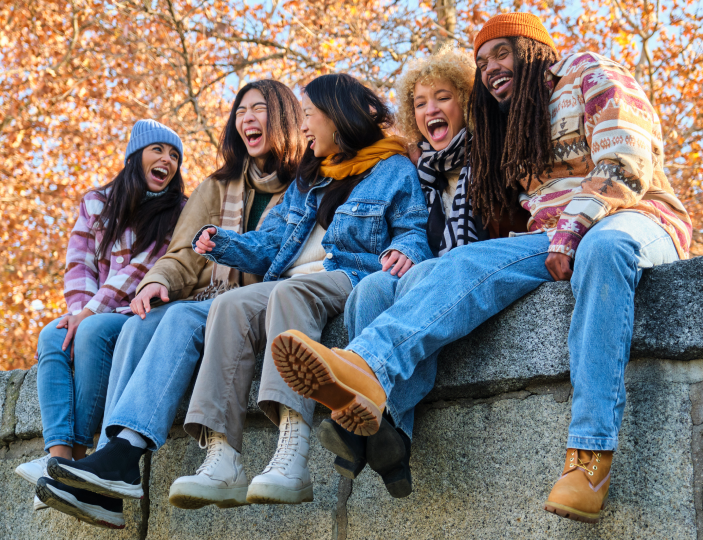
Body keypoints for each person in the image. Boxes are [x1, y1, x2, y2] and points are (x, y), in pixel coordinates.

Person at [271, 13, 692, 524]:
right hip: (552, 235)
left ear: (533, 50)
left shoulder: (587, 70)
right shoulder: (508, 123)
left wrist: (575, 227)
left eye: (502, 53)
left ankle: (589, 456)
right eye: (482, 61)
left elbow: (627, 159)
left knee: (603, 250)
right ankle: (367, 367)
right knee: (463, 262)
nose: (491, 68)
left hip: (633, 217)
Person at [164, 73, 433, 510]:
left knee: (289, 294)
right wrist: (223, 242)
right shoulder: (307, 179)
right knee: (229, 305)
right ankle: (222, 458)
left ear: (337, 116)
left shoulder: (393, 167)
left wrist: (404, 248)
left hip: (348, 275)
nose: (303, 127)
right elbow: (271, 241)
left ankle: (293, 451)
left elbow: (413, 228)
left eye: (309, 115)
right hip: (291, 281)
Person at [41, 80, 303, 526]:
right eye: (240, 111)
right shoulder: (217, 186)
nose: (247, 118)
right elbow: (181, 254)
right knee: (139, 323)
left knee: (179, 317)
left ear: (283, 118)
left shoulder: (303, 184)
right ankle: (108, 477)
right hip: (209, 297)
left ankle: (121, 458)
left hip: (260, 301)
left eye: (259, 109)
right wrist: (154, 283)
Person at [317, 46, 528, 499]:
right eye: (419, 103)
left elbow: (514, 226)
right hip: (434, 275)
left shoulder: (493, 152)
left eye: (443, 97)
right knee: (372, 287)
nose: (430, 109)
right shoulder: (423, 171)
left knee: (415, 279)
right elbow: (413, 231)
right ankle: (388, 437)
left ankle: (367, 432)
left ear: (466, 102)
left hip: (485, 269)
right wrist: (403, 250)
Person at [16, 119, 186, 529]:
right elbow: (79, 265)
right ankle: (59, 460)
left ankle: (80, 454)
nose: (168, 161)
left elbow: (146, 266)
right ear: (136, 155)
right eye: (159, 150)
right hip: (94, 309)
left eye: (175, 156)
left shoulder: (178, 211)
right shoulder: (97, 202)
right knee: (52, 336)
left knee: (90, 330)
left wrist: (89, 313)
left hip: (141, 312)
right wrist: (77, 312)